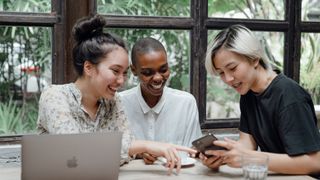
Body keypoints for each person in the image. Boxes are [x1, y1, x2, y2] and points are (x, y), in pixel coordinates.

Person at [37, 15, 196, 175]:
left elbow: (125, 154)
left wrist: (131, 150)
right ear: (89, 68)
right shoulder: (55, 96)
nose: (121, 81)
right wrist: (145, 146)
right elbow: (74, 152)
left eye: (124, 73)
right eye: (115, 71)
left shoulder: (113, 102)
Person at [203, 24, 320, 177]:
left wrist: (250, 158)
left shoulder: (290, 96)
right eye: (221, 73)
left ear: (254, 59)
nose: (228, 79)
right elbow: (248, 144)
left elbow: (315, 162)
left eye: (232, 68)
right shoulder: (248, 93)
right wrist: (222, 156)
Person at [120, 37, 202, 164]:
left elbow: (193, 152)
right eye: (148, 72)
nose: (158, 78)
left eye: (163, 70)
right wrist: (138, 153)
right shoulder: (119, 103)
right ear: (134, 70)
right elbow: (111, 151)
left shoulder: (186, 103)